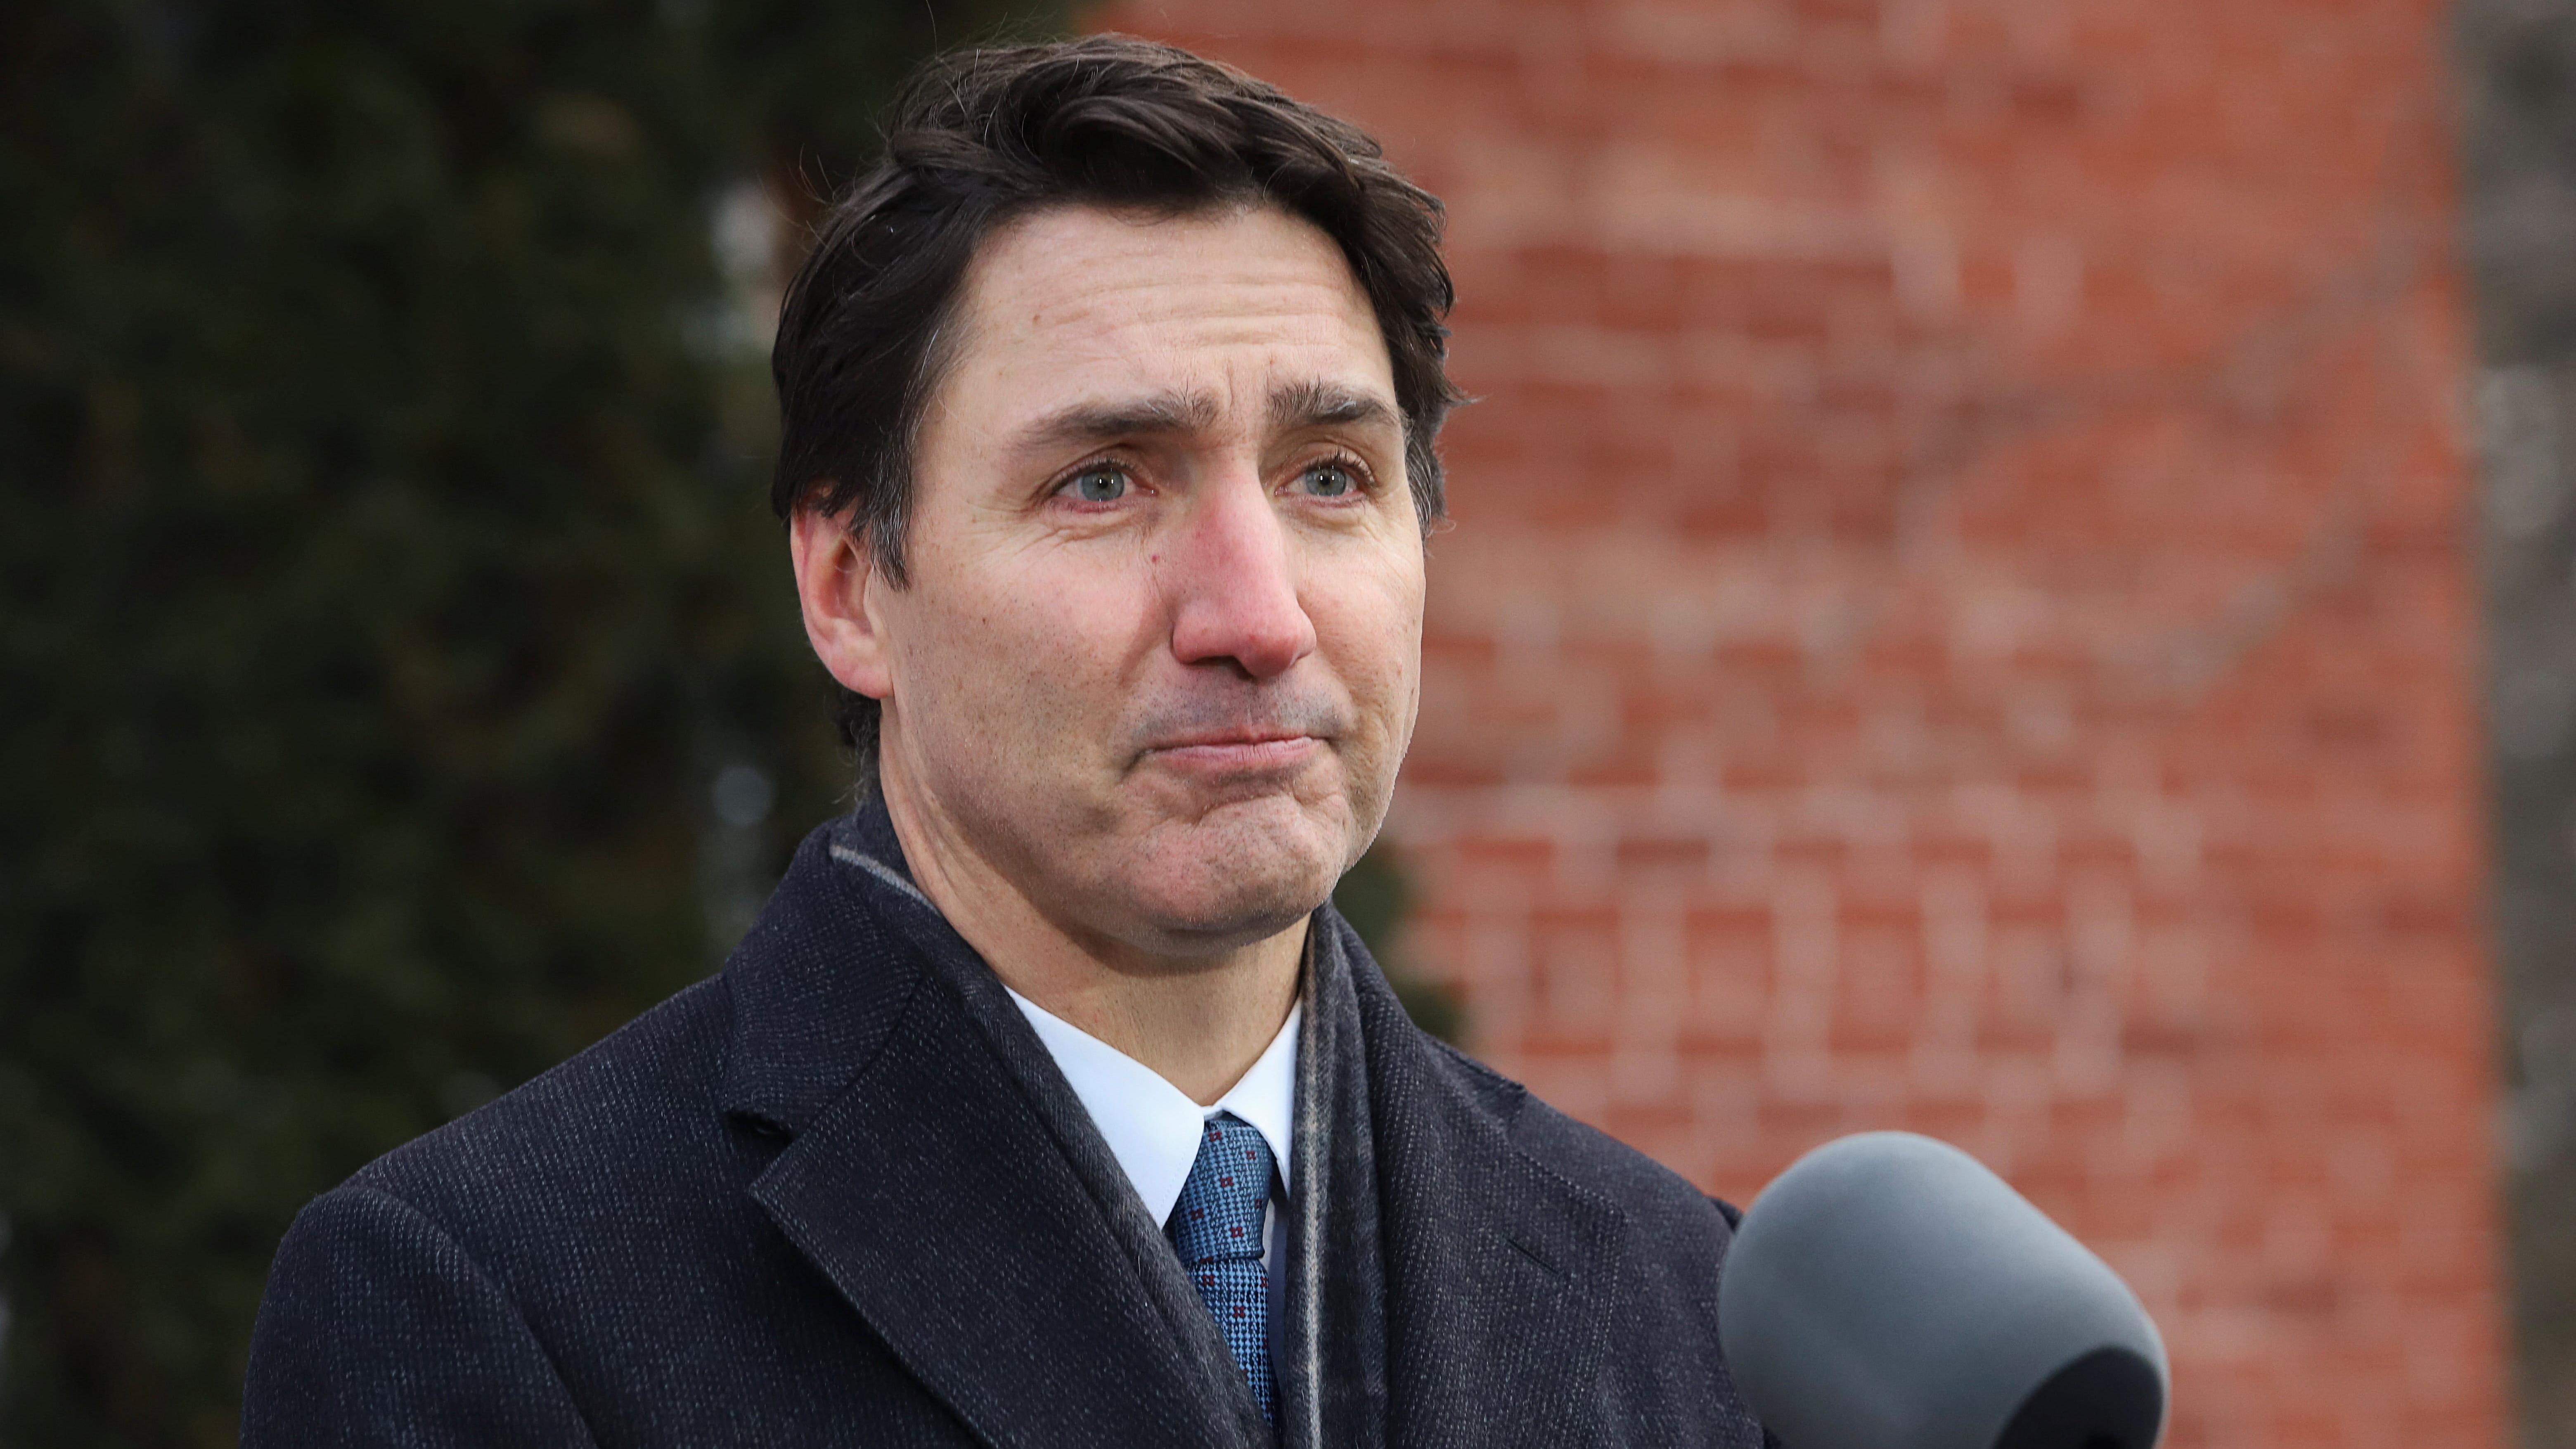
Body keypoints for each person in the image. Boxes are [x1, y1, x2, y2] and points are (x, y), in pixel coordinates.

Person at [242, 35, 1769, 1448]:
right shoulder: (487, 1310)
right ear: (850, 590)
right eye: (1104, 481)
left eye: (1330, 477)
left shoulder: (1682, 1299)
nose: (1258, 614)